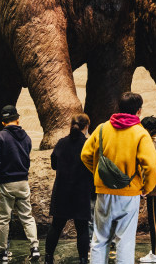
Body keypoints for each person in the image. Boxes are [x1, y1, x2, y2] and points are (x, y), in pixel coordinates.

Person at [81, 92, 156, 264]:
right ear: (139, 111)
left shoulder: (102, 128)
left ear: (119, 108)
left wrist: (99, 174)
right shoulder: (140, 133)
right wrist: (146, 187)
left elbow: (85, 154)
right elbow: (153, 165)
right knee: (125, 240)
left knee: (99, 238)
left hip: (103, 191)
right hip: (129, 193)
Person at [0, 105, 40, 262]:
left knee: (3, 219)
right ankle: (35, 248)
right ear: (18, 119)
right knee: (27, 217)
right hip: (23, 182)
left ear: (3, 122)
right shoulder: (26, 137)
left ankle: (1, 252)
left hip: (6, 183)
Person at [45, 113, 93, 264]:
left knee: (56, 226)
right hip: (82, 193)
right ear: (86, 127)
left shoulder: (61, 143)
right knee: (82, 229)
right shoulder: (88, 144)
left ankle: (48, 258)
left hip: (62, 192)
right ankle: (83, 260)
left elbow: (54, 164)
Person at [140, 116, 156, 263]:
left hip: (155, 188)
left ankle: (155, 252)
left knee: (155, 221)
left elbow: (152, 167)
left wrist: (146, 186)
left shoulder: (153, 143)